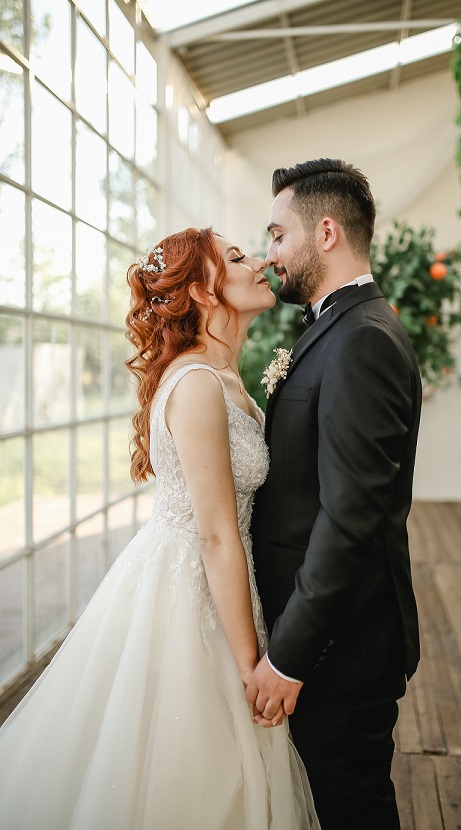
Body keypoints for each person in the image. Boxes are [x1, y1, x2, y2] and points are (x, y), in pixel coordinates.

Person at [0, 227, 320, 829]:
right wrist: (252, 664)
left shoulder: (225, 377)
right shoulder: (197, 384)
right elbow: (217, 535)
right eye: (235, 258)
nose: (257, 263)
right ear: (202, 290)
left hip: (223, 580)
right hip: (191, 594)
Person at [247, 158, 422, 830]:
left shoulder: (362, 340)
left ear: (324, 233)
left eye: (276, 235)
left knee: (350, 810)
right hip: (327, 637)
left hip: (340, 649)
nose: (271, 255)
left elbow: (349, 517)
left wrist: (288, 656)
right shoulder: (340, 327)